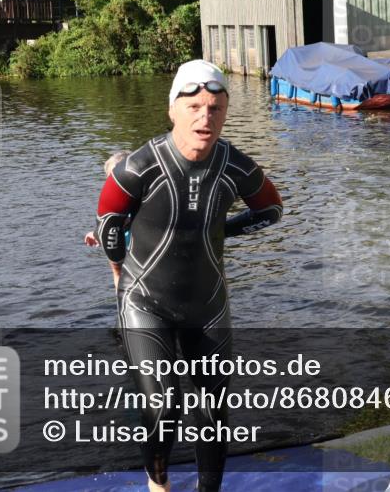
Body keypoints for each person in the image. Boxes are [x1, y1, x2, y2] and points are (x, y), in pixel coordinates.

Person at [95, 60, 283, 492]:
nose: (206, 117)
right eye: (195, 106)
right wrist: (119, 275)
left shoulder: (235, 165)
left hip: (208, 303)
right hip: (145, 300)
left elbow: (271, 210)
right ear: (172, 110)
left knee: (212, 412)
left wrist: (221, 230)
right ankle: (158, 486)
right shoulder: (138, 167)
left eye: (216, 108)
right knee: (163, 406)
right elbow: (108, 225)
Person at [85, 149, 132, 289]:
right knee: (119, 272)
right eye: (111, 180)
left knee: (120, 273)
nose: (115, 185)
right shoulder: (112, 202)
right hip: (124, 247)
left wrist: (98, 233)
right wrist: (97, 234)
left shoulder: (139, 197)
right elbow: (111, 224)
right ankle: (123, 306)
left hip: (141, 250)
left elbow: (122, 222)